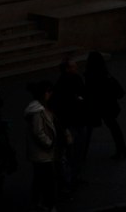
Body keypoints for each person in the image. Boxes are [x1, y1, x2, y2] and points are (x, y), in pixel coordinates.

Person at [53, 55, 90, 189]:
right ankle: (69, 179)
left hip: (75, 122)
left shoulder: (64, 82)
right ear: (68, 69)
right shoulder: (69, 82)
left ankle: (72, 178)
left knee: (74, 152)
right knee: (73, 152)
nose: (77, 68)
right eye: (74, 66)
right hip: (73, 123)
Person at [24, 80, 60, 212]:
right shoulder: (38, 112)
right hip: (42, 153)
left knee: (39, 178)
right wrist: (49, 143)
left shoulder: (38, 109)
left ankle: (37, 201)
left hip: (39, 153)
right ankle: (48, 203)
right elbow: (38, 132)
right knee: (47, 180)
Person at [86, 52, 126, 160]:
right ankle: (121, 150)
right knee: (114, 128)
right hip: (108, 106)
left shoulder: (92, 75)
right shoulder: (105, 74)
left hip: (102, 106)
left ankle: (82, 152)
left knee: (90, 128)